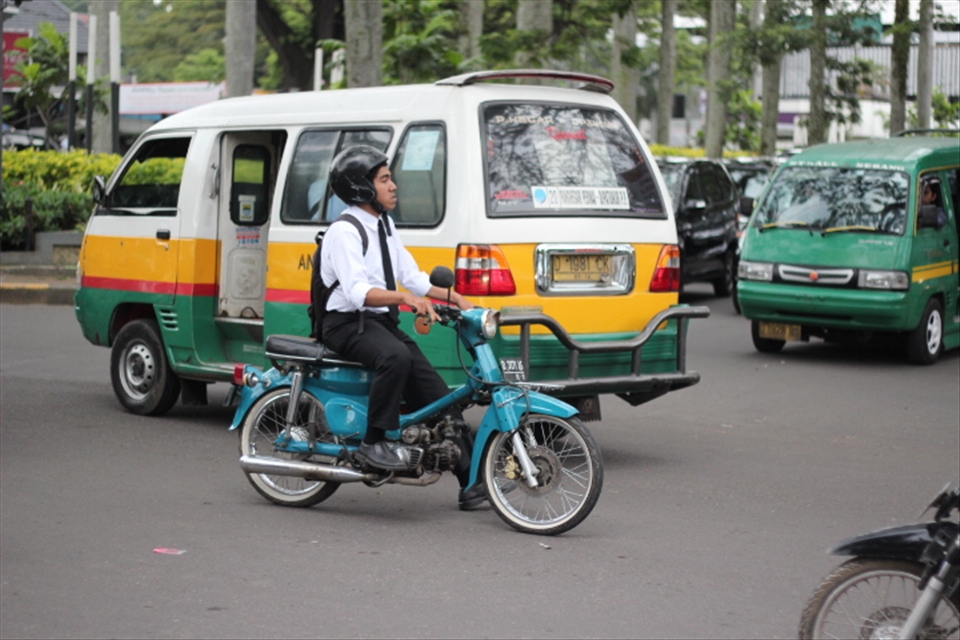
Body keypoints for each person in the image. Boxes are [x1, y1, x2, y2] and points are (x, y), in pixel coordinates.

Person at [320, 145, 486, 510]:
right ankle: (372, 442)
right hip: (346, 323)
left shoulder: (384, 225)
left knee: (439, 396)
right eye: (384, 180)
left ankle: (473, 482)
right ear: (362, 188)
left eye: (390, 178)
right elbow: (358, 292)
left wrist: (458, 299)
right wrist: (405, 299)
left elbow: (413, 277)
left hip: (378, 322)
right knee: (395, 357)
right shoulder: (344, 232)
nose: (393, 186)